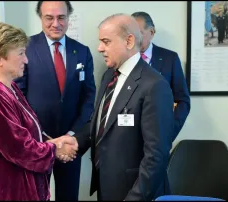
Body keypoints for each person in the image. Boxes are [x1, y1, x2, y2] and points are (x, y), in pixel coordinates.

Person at [0, 22, 78, 201]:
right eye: (21, 53)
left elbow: (26, 131)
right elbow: (19, 149)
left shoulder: (9, 87)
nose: (26, 60)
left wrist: (54, 141)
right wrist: (56, 149)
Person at [74, 13, 174, 201]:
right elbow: (101, 123)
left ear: (129, 41)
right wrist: (75, 141)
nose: (99, 48)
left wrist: (134, 198)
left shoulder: (154, 85)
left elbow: (156, 156)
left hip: (135, 193)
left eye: (106, 41)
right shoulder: (108, 76)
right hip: (107, 186)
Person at [14, 1, 96, 200]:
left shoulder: (82, 51)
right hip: (36, 142)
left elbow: (88, 98)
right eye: (49, 18)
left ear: (69, 17)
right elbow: (18, 98)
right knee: (33, 195)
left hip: (70, 143)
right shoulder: (25, 48)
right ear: (40, 18)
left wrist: (71, 135)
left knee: (68, 196)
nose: (56, 23)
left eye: (61, 17)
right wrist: (44, 138)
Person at [131, 12, 190, 141]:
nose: (134, 39)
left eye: (139, 33)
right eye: (130, 34)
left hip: (158, 136)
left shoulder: (170, 59)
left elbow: (182, 101)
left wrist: (169, 132)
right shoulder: (123, 59)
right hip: (128, 139)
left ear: (151, 32)